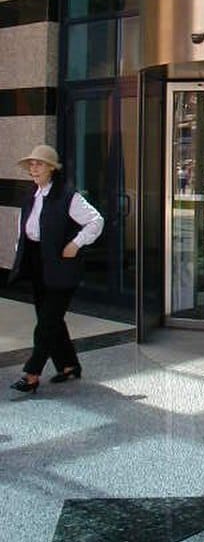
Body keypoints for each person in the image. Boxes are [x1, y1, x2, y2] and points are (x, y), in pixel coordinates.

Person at [8, 145, 104, 394]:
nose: (34, 168)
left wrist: (76, 243)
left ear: (52, 168)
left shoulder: (68, 197)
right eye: (31, 164)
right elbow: (24, 230)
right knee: (51, 319)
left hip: (63, 268)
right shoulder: (31, 196)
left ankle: (32, 374)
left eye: (39, 164)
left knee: (46, 323)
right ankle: (69, 365)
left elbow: (96, 221)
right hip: (38, 264)